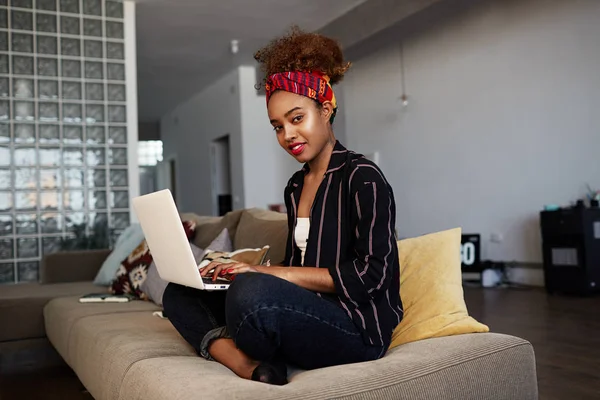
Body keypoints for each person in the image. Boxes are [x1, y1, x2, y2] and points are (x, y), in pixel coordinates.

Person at [162, 27, 402, 386]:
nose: (287, 135)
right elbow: (299, 266)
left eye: (296, 118)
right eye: (277, 126)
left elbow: (372, 276)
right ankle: (249, 365)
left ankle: (250, 349)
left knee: (251, 294)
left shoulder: (362, 177)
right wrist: (235, 268)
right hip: (306, 309)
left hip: (355, 327)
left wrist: (264, 277)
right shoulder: (295, 186)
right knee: (179, 293)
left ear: (325, 109)